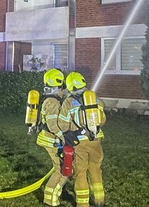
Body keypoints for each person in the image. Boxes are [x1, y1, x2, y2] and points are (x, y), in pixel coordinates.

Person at [59, 71, 107, 207]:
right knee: (96, 169)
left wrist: (67, 134)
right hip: (96, 140)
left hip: (79, 142)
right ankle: (99, 200)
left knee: (80, 172)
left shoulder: (69, 102)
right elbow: (102, 120)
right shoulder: (95, 98)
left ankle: (82, 203)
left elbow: (62, 123)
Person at [36, 68, 68, 207]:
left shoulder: (50, 99)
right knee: (62, 169)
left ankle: (52, 196)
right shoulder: (53, 102)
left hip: (50, 139)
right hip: (52, 140)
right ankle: (50, 200)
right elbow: (53, 126)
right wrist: (65, 137)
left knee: (62, 168)